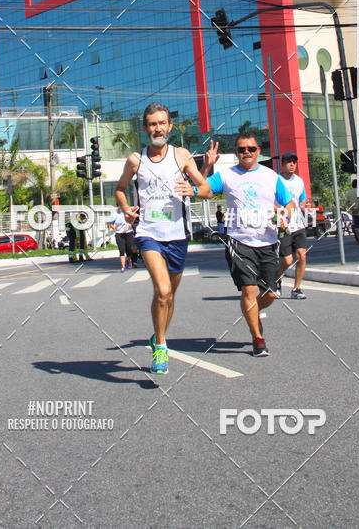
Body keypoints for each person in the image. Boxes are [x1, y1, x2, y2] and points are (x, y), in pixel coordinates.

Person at [116, 103, 210, 375]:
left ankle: (157, 335)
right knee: (163, 290)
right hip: (148, 233)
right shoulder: (136, 160)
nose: (158, 128)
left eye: (162, 123)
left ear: (169, 126)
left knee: (169, 297)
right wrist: (125, 208)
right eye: (152, 124)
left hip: (177, 235)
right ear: (145, 129)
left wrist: (191, 189)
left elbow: (205, 189)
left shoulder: (181, 156)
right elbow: (120, 189)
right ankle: (160, 346)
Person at [194, 134, 293, 357]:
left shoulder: (271, 176)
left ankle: (254, 311)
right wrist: (206, 166)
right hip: (239, 241)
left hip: (268, 241)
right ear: (237, 153)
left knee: (270, 294)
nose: (246, 152)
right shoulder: (227, 175)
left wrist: (285, 215)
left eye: (250, 148)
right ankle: (257, 338)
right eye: (241, 149)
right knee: (248, 289)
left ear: (258, 151)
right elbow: (202, 192)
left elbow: (289, 202)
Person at [276, 152, 308, 299]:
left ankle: (296, 289)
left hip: (299, 224)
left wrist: (304, 205)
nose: (292, 165)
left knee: (301, 256)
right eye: (289, 162)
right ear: (282, 164)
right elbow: (271, 201)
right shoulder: (276, 180)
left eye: (294, 162)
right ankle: (276, 281)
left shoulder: (299, 181)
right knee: (287, 260)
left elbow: (302, 200)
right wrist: (281, 214)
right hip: (284, 225)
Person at [110, 206, 135, 271]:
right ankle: (123, 266)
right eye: (119, 207)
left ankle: (129, 260)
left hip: (128, 232)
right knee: (121, 250)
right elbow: (111, 224)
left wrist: (129, 225)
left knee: (129, 249)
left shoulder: (128, 212)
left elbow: (133, 220)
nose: (120, 208)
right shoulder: (114, 214)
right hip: (119, 234)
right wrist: (114, 228)